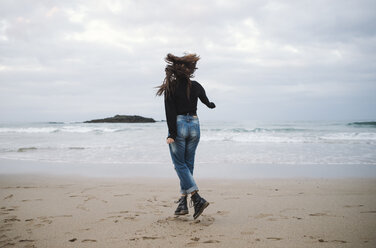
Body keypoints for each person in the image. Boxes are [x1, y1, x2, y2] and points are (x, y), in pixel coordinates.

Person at [156, 53, 216, 219]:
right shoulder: (196, 85)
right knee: (187, 166)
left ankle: (196, 197)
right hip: (195, 126)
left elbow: (170, 112)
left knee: (179, 165)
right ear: (190, 71)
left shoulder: (172, 87)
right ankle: (183, 203)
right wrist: (211, 105)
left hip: (180, 125)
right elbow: (206, 100)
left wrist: (172, 133)